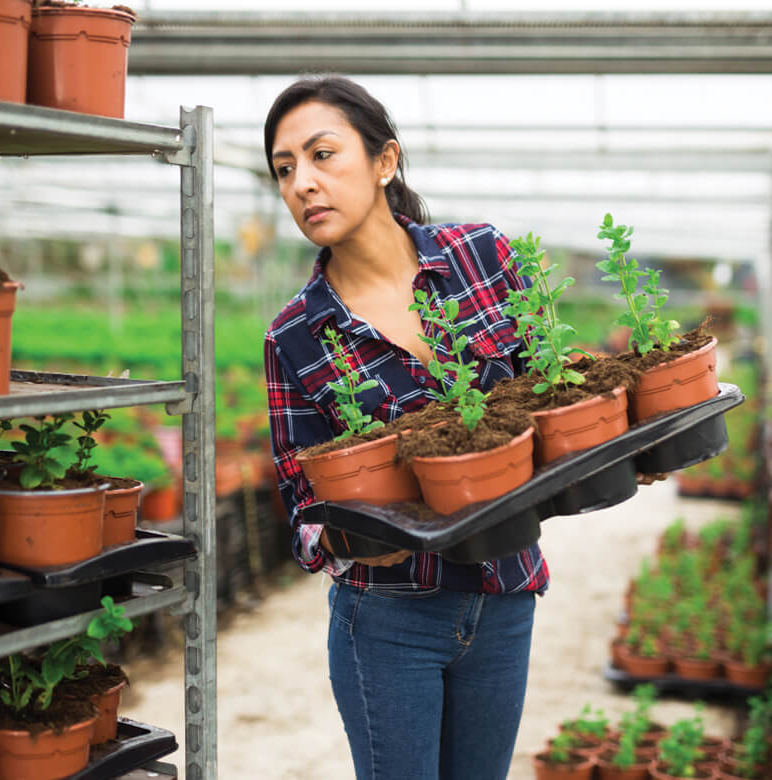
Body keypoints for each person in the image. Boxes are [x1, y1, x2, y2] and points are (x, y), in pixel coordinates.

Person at [262, 76, 548, 780]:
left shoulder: (481, 257)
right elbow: (302, 502)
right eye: (285, 169)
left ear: (385, 162)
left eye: (323, 155)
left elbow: (556, 392)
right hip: (388, 618)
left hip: (504, 593)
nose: (303, 183)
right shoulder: (296, 335)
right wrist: (343, 536)